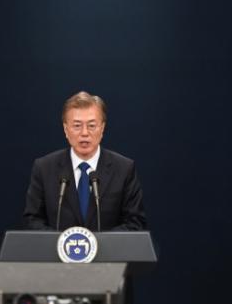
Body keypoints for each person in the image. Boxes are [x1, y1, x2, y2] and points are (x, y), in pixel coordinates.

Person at [23, 91, 146, 231]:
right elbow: (32, 220)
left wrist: (96, 244)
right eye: (77, 125)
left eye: (92, 125)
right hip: (57, 252)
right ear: (65, 129)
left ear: (102, 128)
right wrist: (62, 243)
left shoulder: (124, 169)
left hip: (109, 253)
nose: (85, 133)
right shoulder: (44, 168)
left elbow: (135, 222)